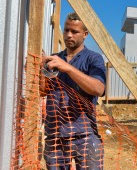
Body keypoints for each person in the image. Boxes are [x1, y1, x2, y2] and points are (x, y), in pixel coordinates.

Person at [42, 12, 106, 169]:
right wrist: (38, 70)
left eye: (75, 31)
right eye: (66, 30)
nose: (69, 35)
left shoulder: (93, 58)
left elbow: (98, 88)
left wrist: (68, 68)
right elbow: (41, 91)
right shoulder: (54, 59)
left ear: (85, 34)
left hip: (84, 133)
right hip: (55, 134)